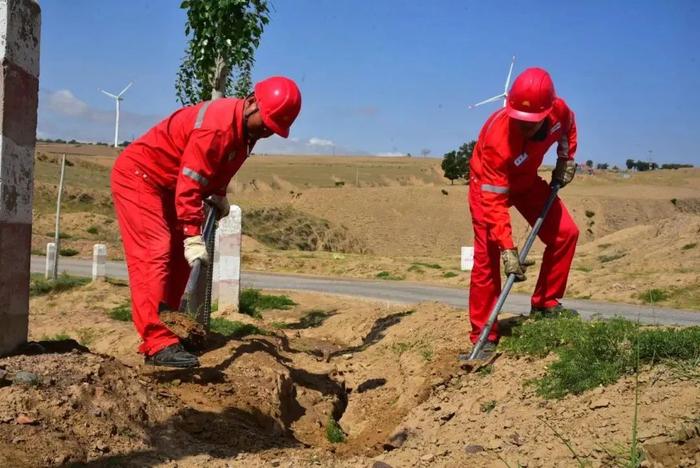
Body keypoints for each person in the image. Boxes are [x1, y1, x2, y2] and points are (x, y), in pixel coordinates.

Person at [111, 76, 302, 368]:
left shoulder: (245, 134)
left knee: (177, 260)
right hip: (140, 177)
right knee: (156, 251)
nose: (267, 132)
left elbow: (218, 168)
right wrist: (192, 234)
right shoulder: (217, 127)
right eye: (265, 124)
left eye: (274, 129)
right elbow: (190, 181)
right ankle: (156, 341)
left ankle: (170, 330)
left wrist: (218, 194)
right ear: (251, 103)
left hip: (169, 185)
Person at [467, 67, 579, 359]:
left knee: (566, 233)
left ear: (547, 110)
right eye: (517, 119)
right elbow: (493, 202)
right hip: (488, 189)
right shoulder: (497, 138)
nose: (522, 127)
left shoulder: (560, 112)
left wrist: (566, 159)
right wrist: (508, 248)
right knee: (486, 260)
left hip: (527, 181)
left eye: (529, 123)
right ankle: (484, 333)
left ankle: (545, 302)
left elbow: (568, 130)